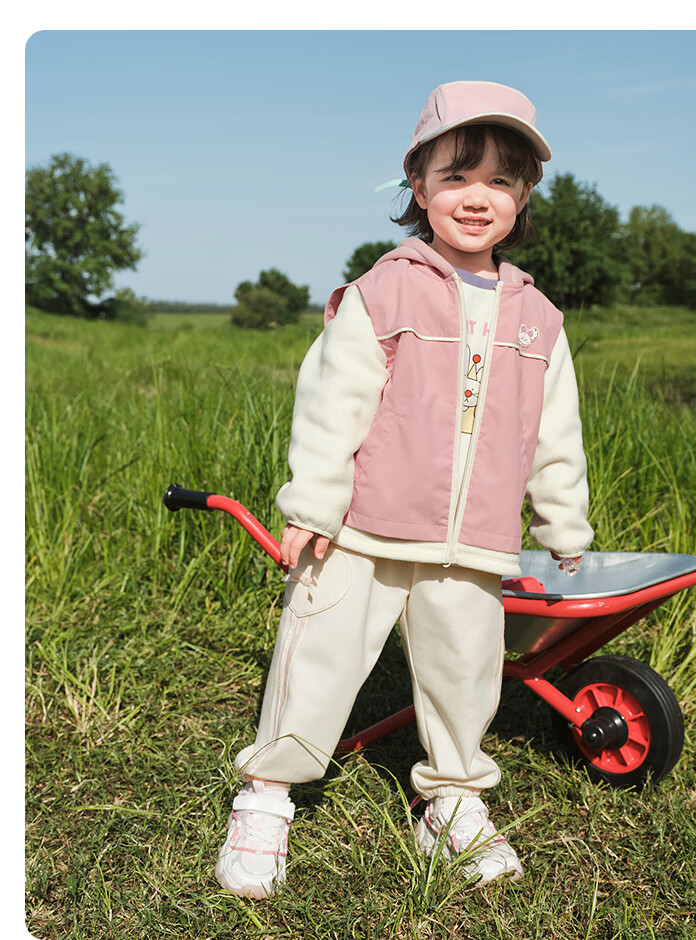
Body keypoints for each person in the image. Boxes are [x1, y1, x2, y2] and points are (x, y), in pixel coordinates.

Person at [215, 80, 594, 899]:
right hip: (364, 529)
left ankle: (452, 801)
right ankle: (269, 793)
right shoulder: (385, 290)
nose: (477, 197)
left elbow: (554, 431)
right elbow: (333, 403)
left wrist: (565, 522)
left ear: (525, 194)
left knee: (465, 674)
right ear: (418, 186)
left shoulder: (539, 317)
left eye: (500, 180)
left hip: (475, 541)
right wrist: (316, 504)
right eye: (456, 175)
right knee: (318, 656)